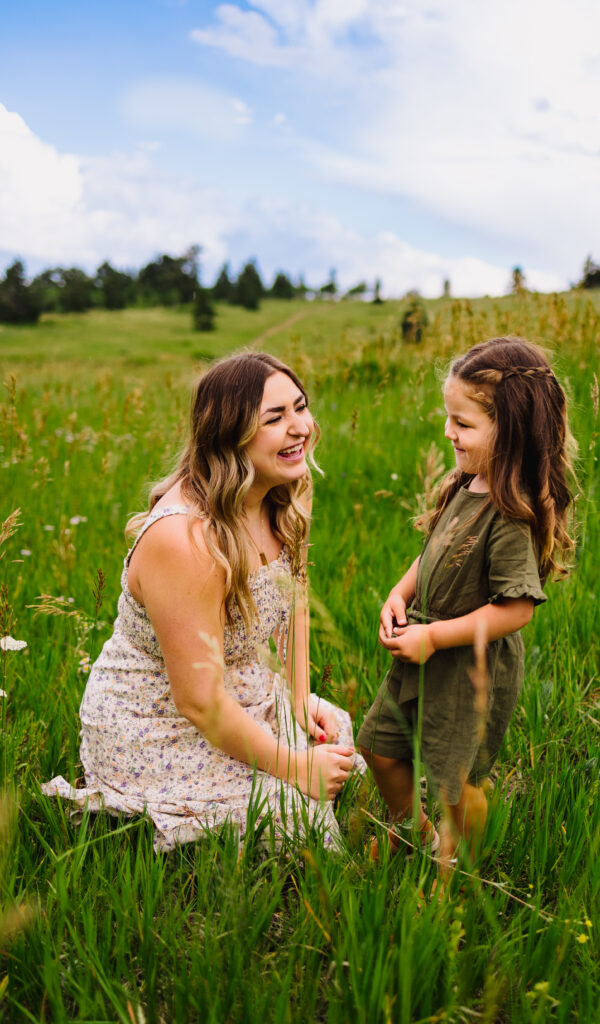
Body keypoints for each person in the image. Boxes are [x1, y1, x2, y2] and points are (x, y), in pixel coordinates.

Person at [44, 352, 363, 852]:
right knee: (297, 823)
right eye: (274, 419)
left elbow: (292, 599)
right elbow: (197, 699)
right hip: (160, 722)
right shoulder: (185, 539)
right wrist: (296, 768)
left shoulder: (284, 490)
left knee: (336, 737)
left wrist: (299, 699)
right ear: (228, 436)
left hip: (236, 684)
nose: (299, 427)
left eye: (300, 408)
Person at [357, 336, 575, 870]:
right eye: (449, 418)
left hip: (468, 665)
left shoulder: (510, 512)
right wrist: (400, 593)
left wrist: (434, 636)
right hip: (423, 649)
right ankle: (418, 833)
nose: (448, 432)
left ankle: (459, 866)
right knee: (380, 748)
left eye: (463, 423)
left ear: (511, 431)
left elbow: (516, 609)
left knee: (457, 778)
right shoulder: (466, 483)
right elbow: (432, 551)